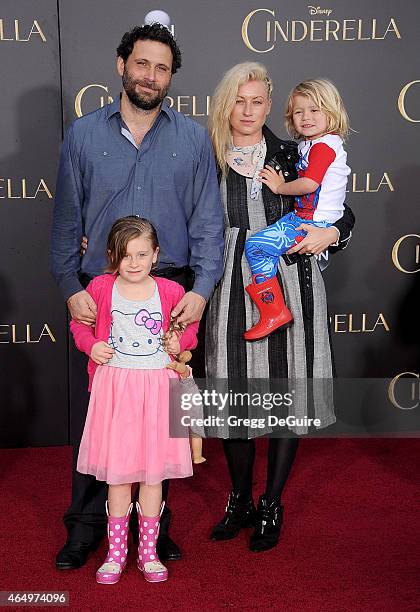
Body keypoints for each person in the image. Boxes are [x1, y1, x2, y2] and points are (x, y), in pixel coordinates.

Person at [50, 23, 224, 570]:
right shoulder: (82, 135)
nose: (151, 76)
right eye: (142, 64)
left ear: (172, 77)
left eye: (162, 68)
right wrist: (70, 286)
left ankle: (156, 529)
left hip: (169, 291)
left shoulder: (193, 138)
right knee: (101, 418)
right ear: (121, 64)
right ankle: (84, 528)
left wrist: (200, 292)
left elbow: (209, 225)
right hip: (103, 291)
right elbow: (64, 223)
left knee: (160, 421)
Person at [206, 63, 354, 552]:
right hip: (227, 280)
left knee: (288, 391)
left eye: (257, 102)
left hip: (290, 279)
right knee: (232, 393)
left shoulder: (296, 152)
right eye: (238, 101)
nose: (247, 111)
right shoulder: (206, 154)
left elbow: (340, 206)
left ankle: (272, 502)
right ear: (226, 103)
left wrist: (333, 232)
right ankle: (240, 499)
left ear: (270, 106)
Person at [71, 217, 198, 584]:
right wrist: (91, 345)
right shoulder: (99, 287)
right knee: (120, 473)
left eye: (142, 254)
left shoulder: (171, 291)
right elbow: (79, 324)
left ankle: (149, 554)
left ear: (156, 255)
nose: (134, 262)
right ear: (112, 255)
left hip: (158, 389)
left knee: (153, 472)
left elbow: (188, 329)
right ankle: (115, 553)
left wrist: (181, 343)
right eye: (126, 255)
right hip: (117, 390)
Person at [244, 78, 350, 340]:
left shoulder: (322, 147)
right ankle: (273, 310)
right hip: (301, 218)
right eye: (299, 111)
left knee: (256, 246)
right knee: (259, 248)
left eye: (315, 110)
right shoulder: (309, 145)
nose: (306, 117)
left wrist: (279, 187)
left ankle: (274, 310)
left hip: (313, 225)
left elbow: (312, 185)